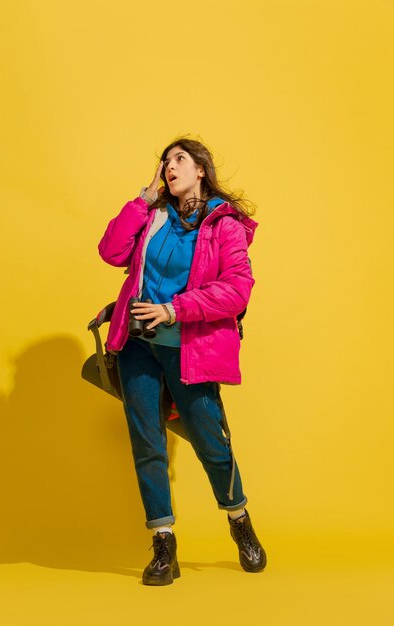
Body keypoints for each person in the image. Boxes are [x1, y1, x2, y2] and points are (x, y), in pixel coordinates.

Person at [98, 137, 267, 585]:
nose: (169, 168)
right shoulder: (152, 216)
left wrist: (173, 310)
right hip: (138, 347)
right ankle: (163, 545)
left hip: (190, 348)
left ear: (201, 171)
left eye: (179, 160)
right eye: (165, 162)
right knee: (147, 443)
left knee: (211, 442)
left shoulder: (224, 226)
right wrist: (140, 201)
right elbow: (111, 252)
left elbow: (237, 289)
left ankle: (238, 518)